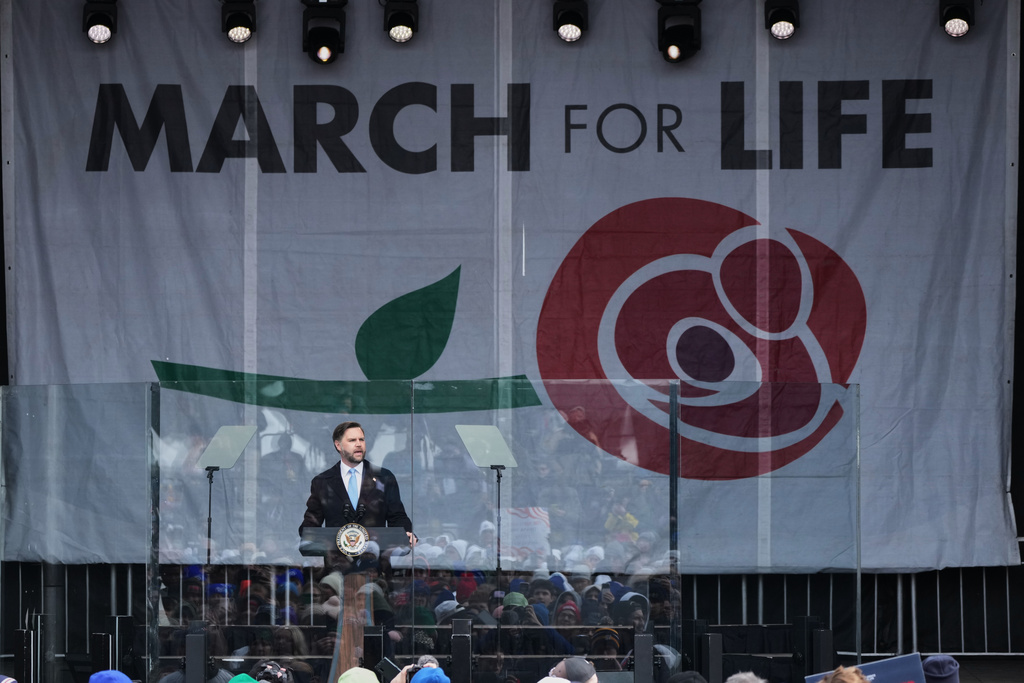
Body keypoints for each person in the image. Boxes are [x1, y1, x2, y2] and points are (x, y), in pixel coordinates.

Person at [299, 422, 416, 545]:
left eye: (361, 439)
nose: (358, 444)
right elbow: (311, 523)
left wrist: (406, 532)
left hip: (376, 560)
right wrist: (309, 535)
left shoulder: (384, 477)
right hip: (338, 561)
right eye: (352, 440)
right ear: (338, 445)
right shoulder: (322, 482)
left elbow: (397, 516)